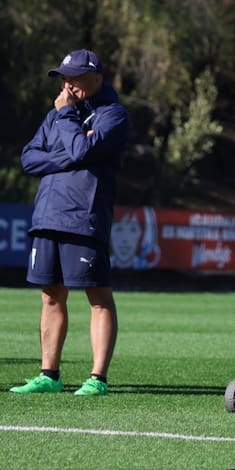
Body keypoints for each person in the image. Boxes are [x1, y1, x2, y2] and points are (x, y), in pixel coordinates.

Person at [11, 49, 129, 397]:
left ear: (96, 78)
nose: (67, 84)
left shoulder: (113, 115)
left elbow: (81, 151)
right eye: (64, 77)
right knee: (50, 295)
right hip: (48, 214)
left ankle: (97, 378)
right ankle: (49, 375)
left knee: (98, 296)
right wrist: (71, 149)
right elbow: (29, 159)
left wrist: (67, 125)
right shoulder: (58, 113)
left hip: (84, 215)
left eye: (74, 77)